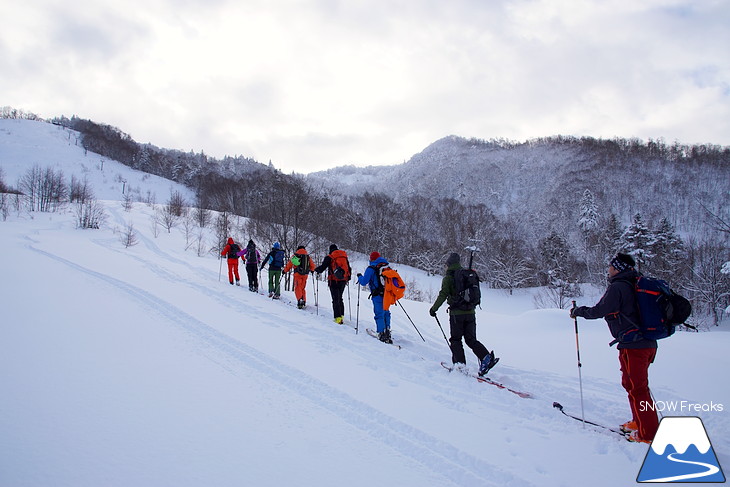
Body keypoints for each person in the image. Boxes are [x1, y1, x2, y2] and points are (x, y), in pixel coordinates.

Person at [570, 252, 659, 444]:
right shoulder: (634, 283)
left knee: (638, 389)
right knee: (631, 385)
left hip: (635, 345)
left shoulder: (619, 286)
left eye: (610, 267)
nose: (608, 270)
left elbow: (601, 310)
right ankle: (639, 422)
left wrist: (579, 312)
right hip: (643, 343)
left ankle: (648, 434)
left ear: (618, 268)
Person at [429, 252, 497, 376]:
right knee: (470, 339)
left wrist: (434, 309)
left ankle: (460, 366)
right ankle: (486, 357)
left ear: (449, 264)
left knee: (456, 340)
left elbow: (443, 294)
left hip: (456, 314)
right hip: (471, 312)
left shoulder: (449, 277)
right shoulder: (466, 275)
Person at [356, 252, 392, 343]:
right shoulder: (387, 266)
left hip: (377, 295)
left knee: (379, 314)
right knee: (386, 313)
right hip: (387, 294)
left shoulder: (371, 268)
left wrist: (359, 276)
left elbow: (364, 282)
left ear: (371, 259)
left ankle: (381, 333)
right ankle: (387, 331)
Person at [314, 244, 352, 324]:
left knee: (335, 299)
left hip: (333, 280)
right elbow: (348, 268)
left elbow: (322, 267)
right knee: (340, 298)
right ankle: (341, 316)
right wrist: (348, 278)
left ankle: (337, 318)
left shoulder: (329, 257)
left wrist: (316, 270)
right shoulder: (344, 256)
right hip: (343, 280)